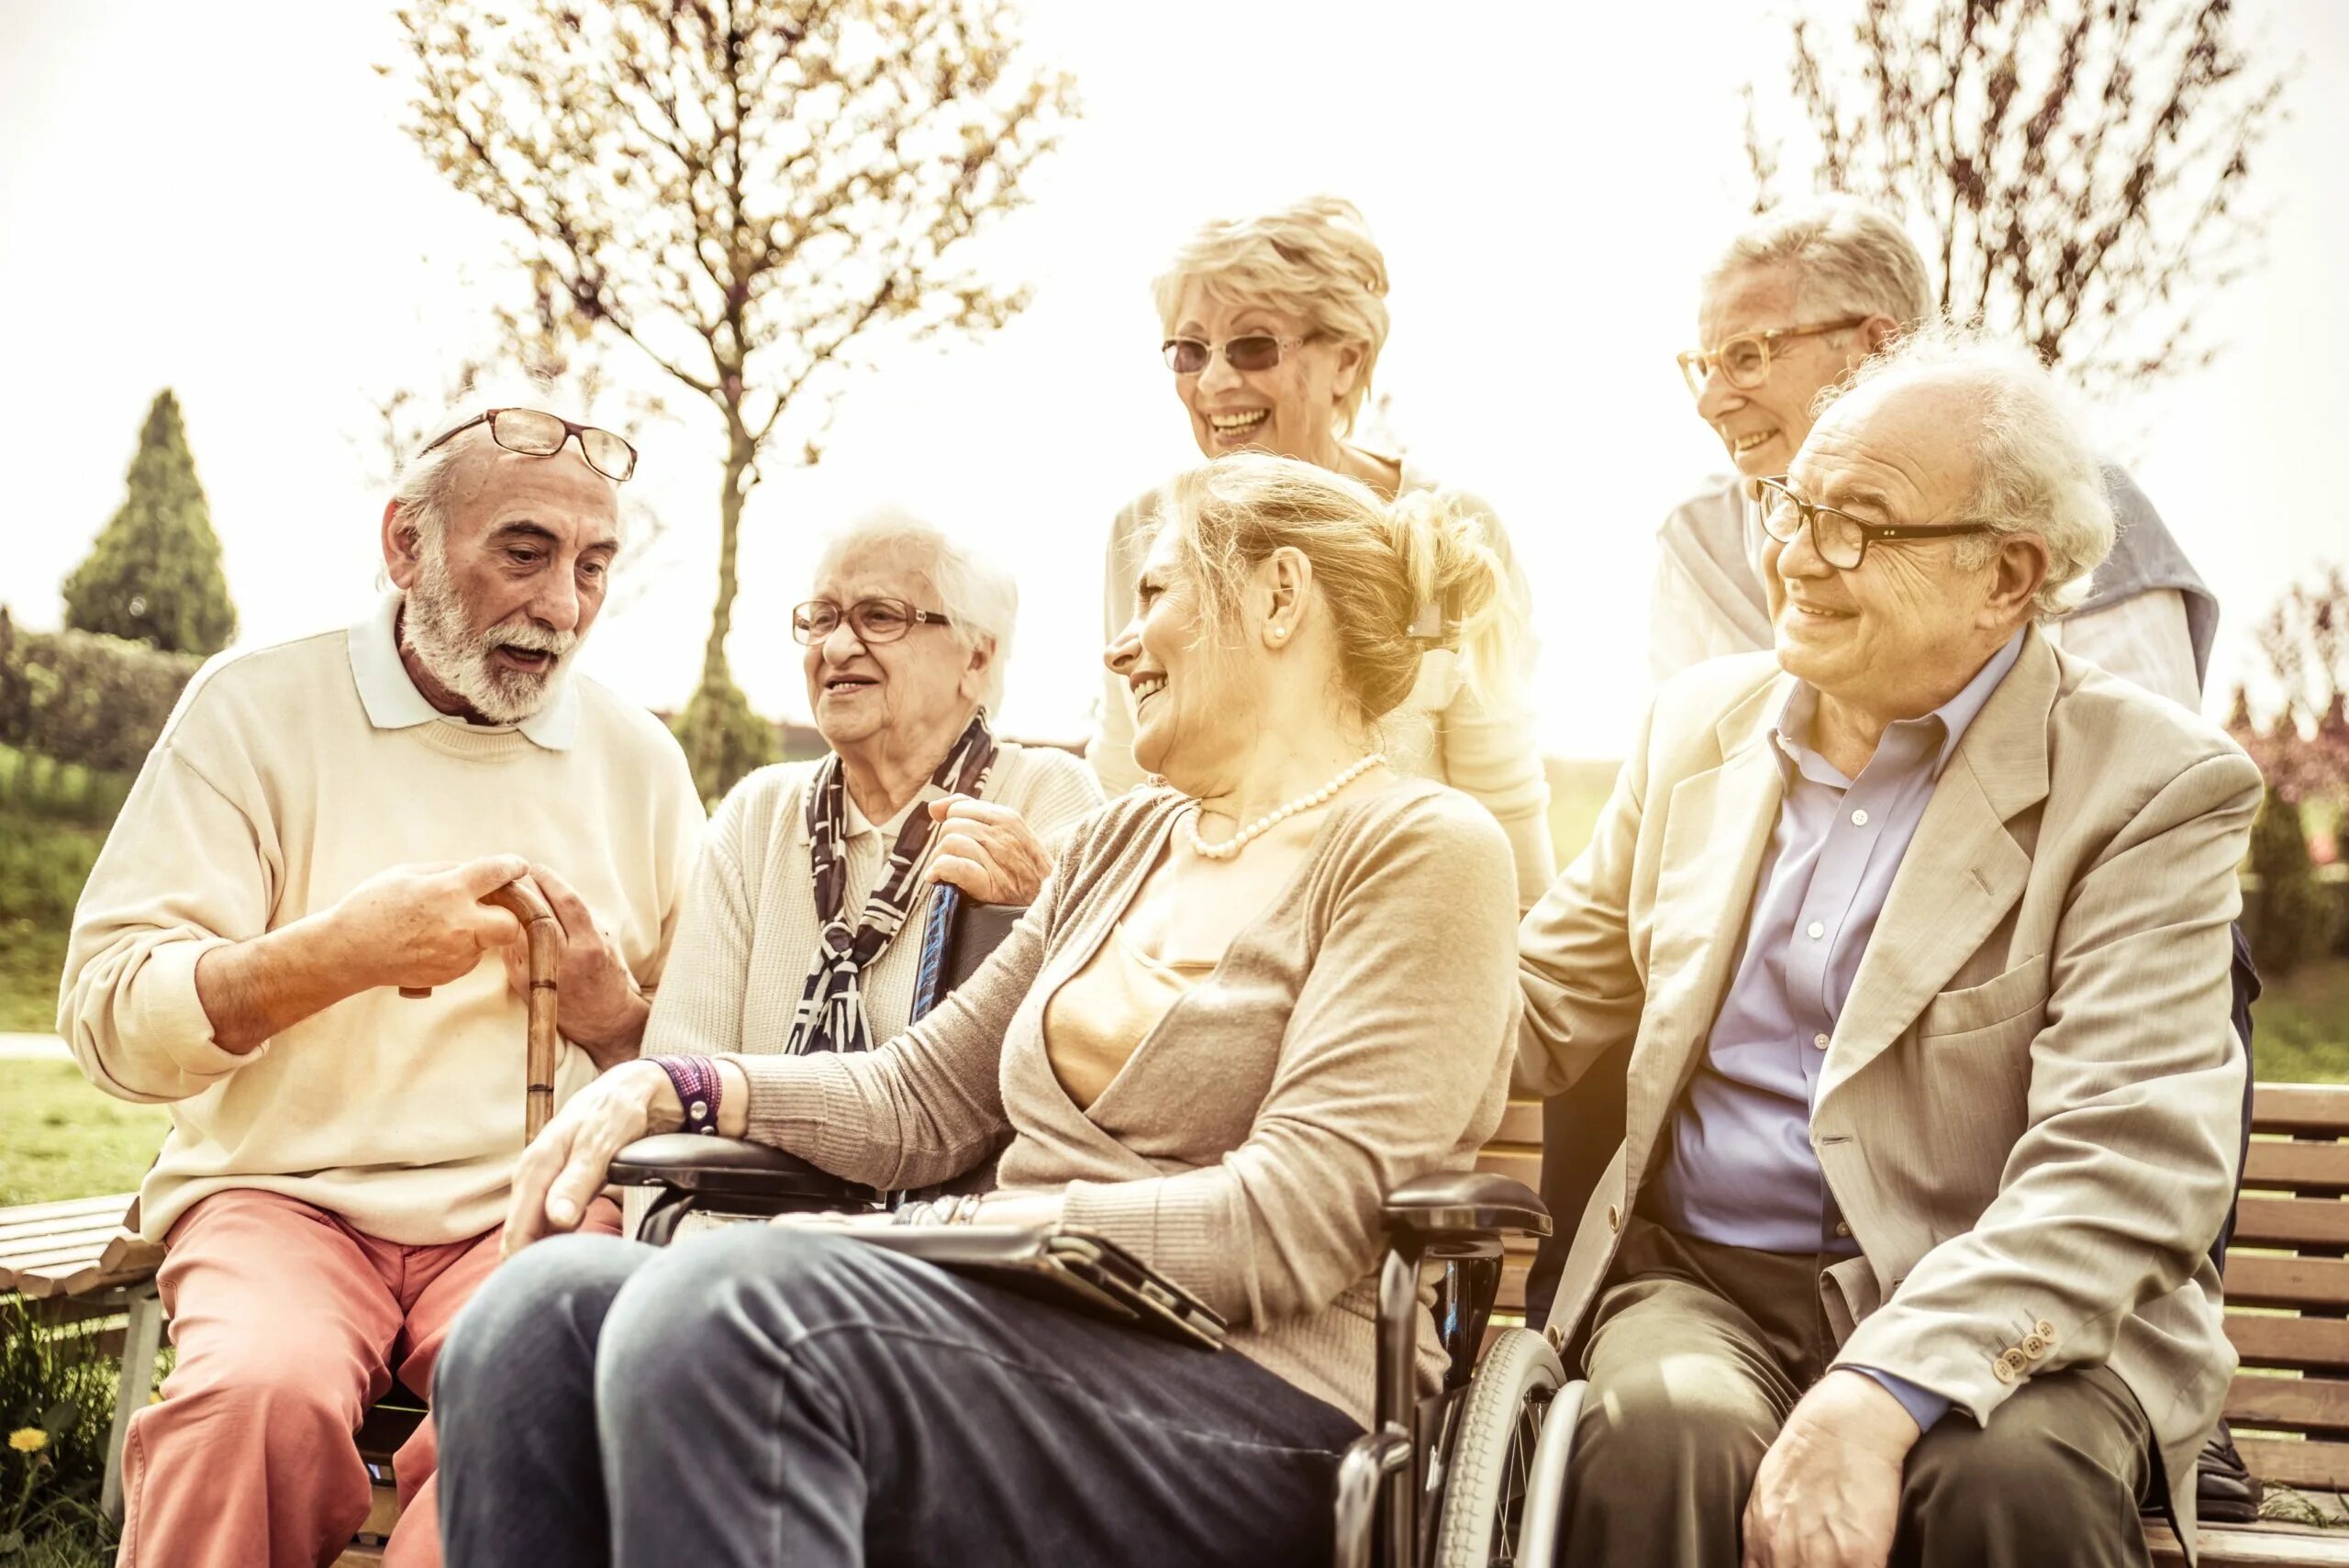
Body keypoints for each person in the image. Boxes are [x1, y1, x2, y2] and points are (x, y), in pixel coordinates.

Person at [431, 452, 1526, 1568]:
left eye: (1153, 595)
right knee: (533, 1318)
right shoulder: (1123, 841)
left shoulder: (1421, 851)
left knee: (736, 1309)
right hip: (1018, 1344)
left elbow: (1291, 1220)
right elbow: (918, 1098)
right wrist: (681, 1081)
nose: (1116, 642)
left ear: (1280, 596)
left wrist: (940, 1234)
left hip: (1255, 1401)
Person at [1518, 327, 2259, 1567]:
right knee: (1657, 1441)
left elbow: (2126, 1164)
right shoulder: (1694, 729)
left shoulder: (2149, 786)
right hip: (1706, 1286)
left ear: (2008, 576)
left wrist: (1888, 1386)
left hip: (2019, 1304)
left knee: (2005, 1488)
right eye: (1790, 505)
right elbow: (1538, 1005)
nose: (1795, 556)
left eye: (1857, 524)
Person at [57, 396, 705, 1568]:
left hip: (535, 1202)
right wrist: (340, 953)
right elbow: (109, 1016)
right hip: (280, 1199)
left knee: (540, 1406)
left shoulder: (642, 762)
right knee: (254, 1394)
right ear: (404, 542)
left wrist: (619, 1021)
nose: (561, 605)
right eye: (524, 551)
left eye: (593, 565)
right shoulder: (252, 709)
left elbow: (711, 1059)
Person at [1089, 195, 1555, 907]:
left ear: (1347, 361)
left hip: (1399, 923)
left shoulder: (1451, 525)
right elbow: (1121, 783)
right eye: (1190, 350)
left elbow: (1501, 804)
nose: (1213, 381)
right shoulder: (1143, 529)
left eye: (1252, 346)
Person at [636, 506, 1103, 1074]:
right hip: (747, 1162)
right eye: (822, 618)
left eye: (879, 617)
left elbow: (1075, 1050)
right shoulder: (758, 814)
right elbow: (682, 1065)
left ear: (976, 657)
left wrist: (1033, 911)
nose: (835, 648)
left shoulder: (1046, 797)